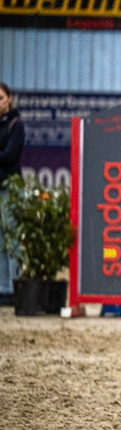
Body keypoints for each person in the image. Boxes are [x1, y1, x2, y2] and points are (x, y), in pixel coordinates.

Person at [0, 82, 25, 307]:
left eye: (0, 98)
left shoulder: (16, 125)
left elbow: (8, 156)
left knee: (12, 239)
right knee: (0, 240)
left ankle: (16, 286)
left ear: (9, 98)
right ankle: (3, 288)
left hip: (11, 187)